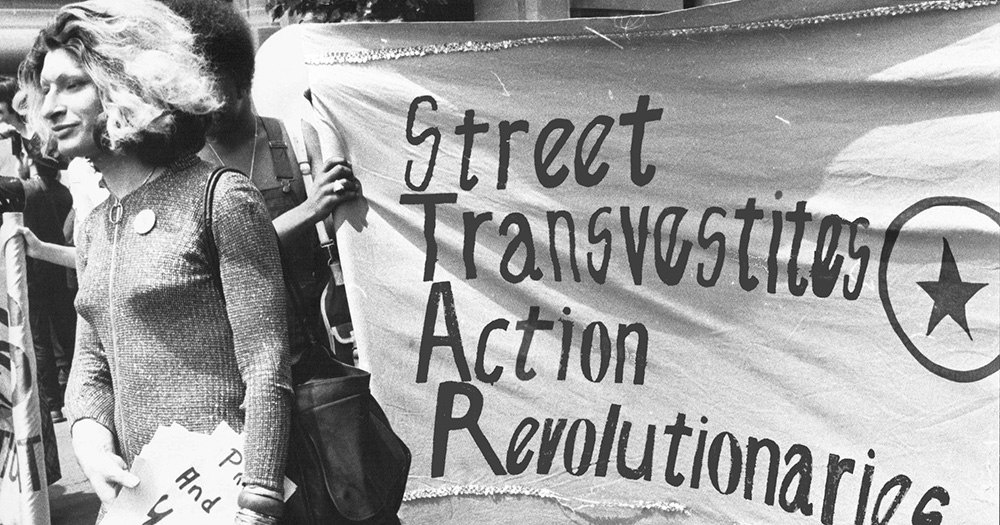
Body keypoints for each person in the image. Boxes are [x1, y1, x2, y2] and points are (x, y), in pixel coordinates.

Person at [18, 1, 291, 523]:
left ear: (131, 86)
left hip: (227, 503)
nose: (50, 106)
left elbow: (267, 363)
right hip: (141, 503)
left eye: (73, 85)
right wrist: (90, 438)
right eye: (46, 88)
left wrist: (258, 498)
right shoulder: (97, 225)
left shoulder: (220, 198)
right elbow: (91, 364)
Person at [163, 0, 360, 362]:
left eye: (210, 86)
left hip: (318, 346)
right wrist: (310, 208)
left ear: (241, 80)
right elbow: (206, 260)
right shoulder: (179, 164)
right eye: (188, 89)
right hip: (231, 355)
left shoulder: (298, 139)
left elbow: (343, 233)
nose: (199, 102)